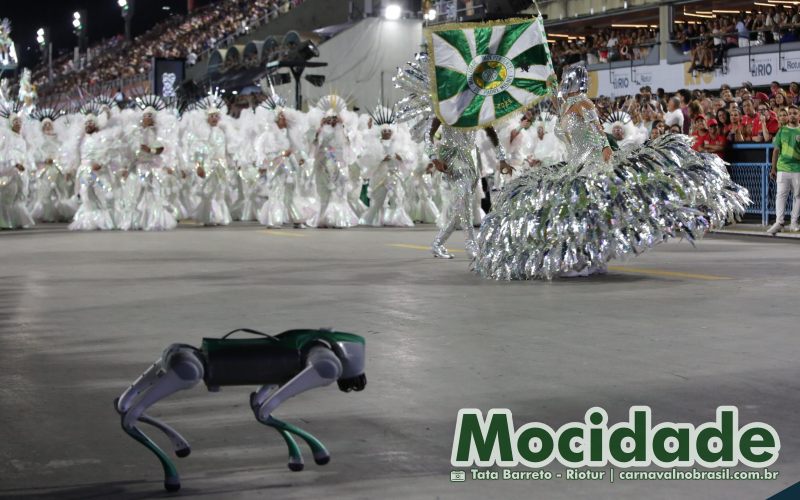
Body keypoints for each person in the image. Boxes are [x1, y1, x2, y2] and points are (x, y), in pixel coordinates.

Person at [471, 62, 749, 280]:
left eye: (569, 80)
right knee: (582, 215)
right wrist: (550, 85)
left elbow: (598, 134)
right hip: (573, 165)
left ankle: (588, 260)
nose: (567, 84)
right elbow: (558, 108)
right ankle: (589, 259)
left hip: (589, 165)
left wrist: (606, 159)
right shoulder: (567, 104)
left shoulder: (583, 103)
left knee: (586, 212)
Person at [768, 105, 800, 235]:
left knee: (798, 196)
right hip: (782, 168)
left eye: (794, 113)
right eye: (790, 113)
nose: (792, 115)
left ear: (799, 115)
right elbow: (776, 150)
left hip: (798, 168)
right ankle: (779, 222)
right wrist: (773, 168)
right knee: (780, 195)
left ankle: (793, 223)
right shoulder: (782, 130)